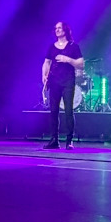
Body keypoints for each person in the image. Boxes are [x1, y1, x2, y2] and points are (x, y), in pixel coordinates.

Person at [41, 22, 84, 150]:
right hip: (54, 82)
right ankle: (54, 140)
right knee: (53, 111)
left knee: (68, 111)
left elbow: (81, 64)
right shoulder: (52, 47)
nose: (57, 30)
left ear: (65, 30)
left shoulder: (73, 46)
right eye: (56, 28)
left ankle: (69, 141)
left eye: (59, 28)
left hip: (68, 81)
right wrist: (44, 75)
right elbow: (46, 62)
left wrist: (68, 59)